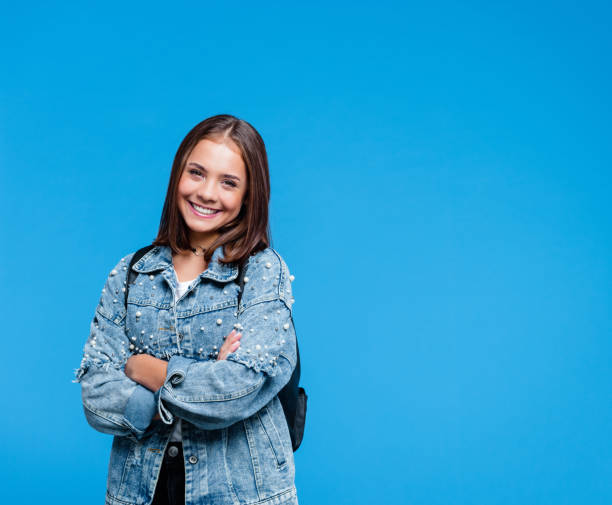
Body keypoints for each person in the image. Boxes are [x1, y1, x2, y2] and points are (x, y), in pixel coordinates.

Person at [73, 114, 300, 505]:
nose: (208, 193)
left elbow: (242, 388)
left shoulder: (263, 271)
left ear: (249, 195)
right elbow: (95, 392)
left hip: (241, 492)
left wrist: (145, 370)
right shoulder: (131, 273)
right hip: (140, 490)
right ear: (178, 174)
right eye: (197, 173)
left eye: (228, 182)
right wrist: (199, 383)